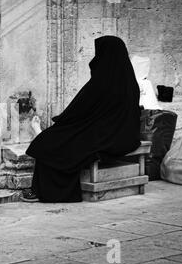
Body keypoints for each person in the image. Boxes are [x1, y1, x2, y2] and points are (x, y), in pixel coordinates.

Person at [21, 36, 141, 203]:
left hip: (105, 136)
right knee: (61, 141)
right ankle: (41, 189)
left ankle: (47, 191)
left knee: (49, 142)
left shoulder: (102, 82)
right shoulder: (129, 81)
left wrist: (60, 121)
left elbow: (77, 110)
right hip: (124, 136)